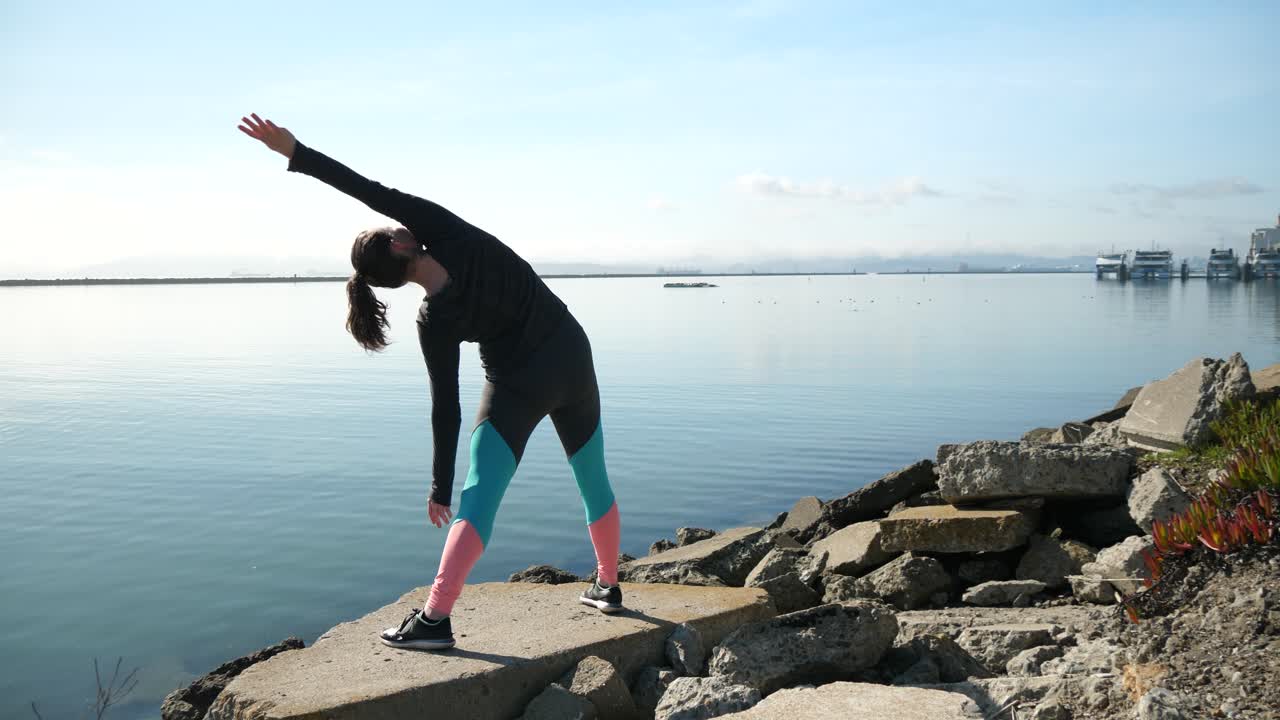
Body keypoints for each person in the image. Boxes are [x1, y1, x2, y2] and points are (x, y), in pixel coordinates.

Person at [237, 113, 624, 651]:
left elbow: (446, 406)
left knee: (478, 498)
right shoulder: (445, 232)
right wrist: (295, 152)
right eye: (389, 230)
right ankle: (607, 584)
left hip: (517, 384)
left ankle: (435, 620)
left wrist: (440, 485)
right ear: (399, 248)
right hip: (570, 353)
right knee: (592, 475)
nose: (395, 223)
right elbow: (367, 189)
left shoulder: (433, 318)